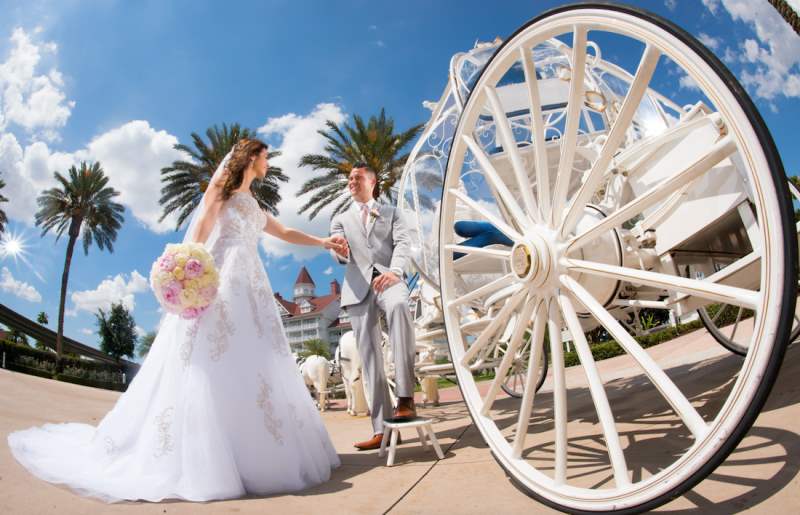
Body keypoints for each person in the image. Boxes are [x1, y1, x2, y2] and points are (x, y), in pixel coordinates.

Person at [7, 138, 345, 502]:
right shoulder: (223, 190)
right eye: (265, 156)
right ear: (251, 157)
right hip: (222, 277)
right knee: (211, 355)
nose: (268, 162)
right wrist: (187, 267)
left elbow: (284, 233)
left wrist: (323, 242)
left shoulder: (254, 202)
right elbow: (202, 225)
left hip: (252, 284)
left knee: (257, 357)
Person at [329, 163, 417, 451]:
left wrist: (396, 272)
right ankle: (382, 429)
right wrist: (339, 249)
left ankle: (405, 397)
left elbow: (404, 243)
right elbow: (337, 251)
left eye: (357, 177)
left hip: (389, 279)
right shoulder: (340, 218)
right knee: (369, 358)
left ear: (372, 181)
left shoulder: (392, 213)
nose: (351, 181)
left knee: (400, 307)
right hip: (356, 290)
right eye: (349, 179)